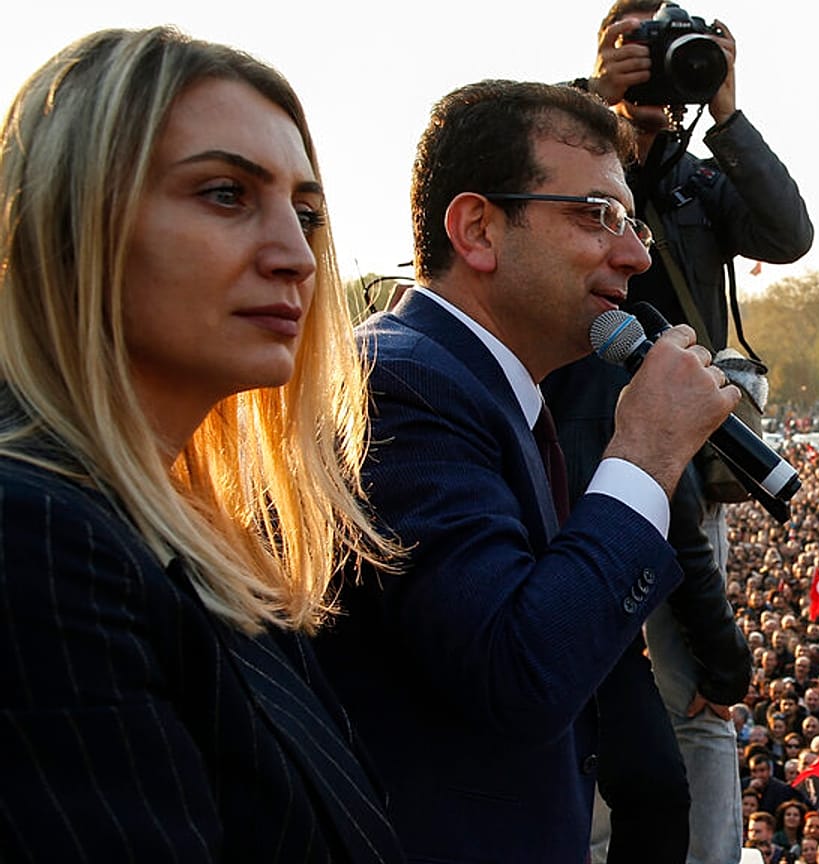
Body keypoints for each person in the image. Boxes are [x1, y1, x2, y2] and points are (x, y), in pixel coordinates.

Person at [0, 26, 402, 861]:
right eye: (224, 193)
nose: (297, 256)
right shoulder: (31, 537)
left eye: (307, 213)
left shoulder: (192, 531)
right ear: (68, 215)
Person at [313, 79, 740, 862]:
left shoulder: (492, 389)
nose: (636, 255)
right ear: (478, 229)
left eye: (634, 222)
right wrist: (645, 451)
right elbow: (521, 670)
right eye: (597, 216)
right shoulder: (403, 387)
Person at [551, 1, 814, 861]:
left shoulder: (699, 182)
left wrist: (727, 112)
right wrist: (599, 104)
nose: (657, 69)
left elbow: (788, 231)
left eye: (673, 53)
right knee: (571, 667)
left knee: (696, 692)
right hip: (576, 440)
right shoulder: (564, 152)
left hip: (693, 450)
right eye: (636, 48)